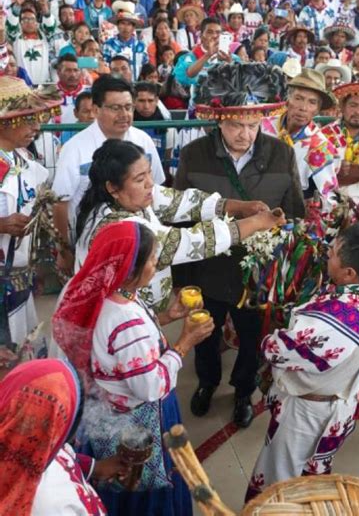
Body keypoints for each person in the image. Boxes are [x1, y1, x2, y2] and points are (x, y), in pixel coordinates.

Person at [174, 63, 305, 428]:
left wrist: (284, 263)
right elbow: (180, 218)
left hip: (259, 277)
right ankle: (207, 382)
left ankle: (244, 390)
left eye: (252, 125)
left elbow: (294, 211)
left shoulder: (281, 154)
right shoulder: (194, 155)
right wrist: (182, 281)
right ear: (218, 120)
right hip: (208, 266)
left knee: (252, 339)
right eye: (236, 125)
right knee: (204, 332)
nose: (245, 134)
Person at [52, 221, 211, 515]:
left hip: (103, 410)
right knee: (141, 489)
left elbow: (117, 345)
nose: (156, 265)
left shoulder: (98, 292)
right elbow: (149, 386)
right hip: (137, 420)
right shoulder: (126, 322)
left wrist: (167, 315)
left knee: (116, 488)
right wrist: (185, 342)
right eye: (152, 260)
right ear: (128, 268)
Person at [245, 223, 359, 500]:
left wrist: (270, 333)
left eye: (332, 253)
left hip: (307, 412)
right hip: (336, 405)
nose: (327, 255)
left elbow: (277, 350)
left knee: (279, 480)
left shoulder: (337, 323)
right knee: (308, 472)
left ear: (349, 272)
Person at [73, 139, 285, 312]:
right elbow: (191, 242)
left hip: (139, 314)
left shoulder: (130, 196)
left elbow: (183, 202)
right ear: (113, 187)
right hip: (117, 321)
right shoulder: (120, 228)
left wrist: (240, 207)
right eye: (140, 179)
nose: (150, 183)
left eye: (148, 173)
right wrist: (256, 222)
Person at [52, 75, 164, 274]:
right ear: (96, 110)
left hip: (140, 245)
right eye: (115, 108)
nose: (124, 114)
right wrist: (64, 250)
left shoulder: (143, 141)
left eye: (128, 107)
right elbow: (60, 204)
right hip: (94, 246)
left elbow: (157, 190)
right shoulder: (74, 149)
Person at [0, 358, 124, 515]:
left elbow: (63, 455)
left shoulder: (28, 440)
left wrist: (95, 468)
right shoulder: (50, 504)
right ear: (53, 421)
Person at [0, 77, 61, 366]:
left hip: (19, 278)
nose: (37, 126)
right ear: (4, 122)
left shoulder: (25, 160)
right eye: (28, 119)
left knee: (23, 356)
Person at [261, 68, 336, 202]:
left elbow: (327, 194)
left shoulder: (320, 146)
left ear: (317, 110)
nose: (303, 108)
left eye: (312, 102)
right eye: (298, 98)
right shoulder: (262, 126)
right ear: (288, 100)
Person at [7, 0, 56, 85]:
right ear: (20, 23)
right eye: (24, 19)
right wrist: (17, 7)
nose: (28, 22)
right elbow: (11, 26)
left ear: (37, 22)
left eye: (31, 19)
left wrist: (46, 11)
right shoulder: (16, 37)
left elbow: (50, 27)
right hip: (21, 85)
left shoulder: (45, 36)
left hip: (43, 86)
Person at [103, 1, 147, 82]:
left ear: (133, 27)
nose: (125, 27)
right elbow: (106, 67)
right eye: (122, 23)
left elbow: (145, 67)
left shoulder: (141, 46)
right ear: (117, 25)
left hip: (136, 85)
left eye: (129, 24)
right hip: (115, 85)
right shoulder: (109, 44)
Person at [56, 54, 86, 124]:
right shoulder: (47, 94)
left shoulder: (90, 93)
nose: (73, 74)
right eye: (68, 70)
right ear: (58, 72)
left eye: (76, 70)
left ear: (81, 72)